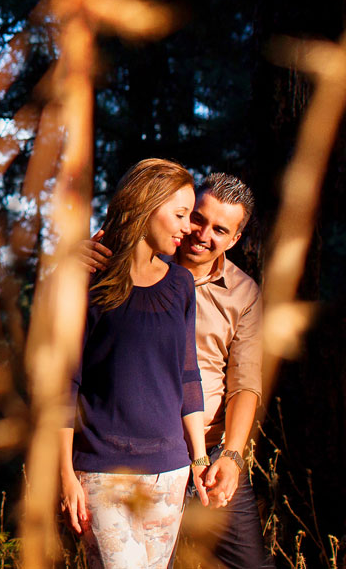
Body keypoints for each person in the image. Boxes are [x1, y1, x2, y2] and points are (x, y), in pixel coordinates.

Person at [84, 173, 267, 569]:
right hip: (138, 448)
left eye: (220, 229)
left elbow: (245, 384)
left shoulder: (244, 293)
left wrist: (231, 458)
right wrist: (78, 257)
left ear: (235, 239)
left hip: (211, 451)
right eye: (197, 218)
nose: (201, 233)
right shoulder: (136, 259)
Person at [59, 158, 211, 566]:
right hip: (104, 474)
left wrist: (198, 459)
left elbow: (187, 375)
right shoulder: (88, 280)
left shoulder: (181, 284)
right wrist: (65, 474)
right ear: (146, 204)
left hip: (170, 471)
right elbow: (63, 383)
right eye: (180, 214)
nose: (188, 227)